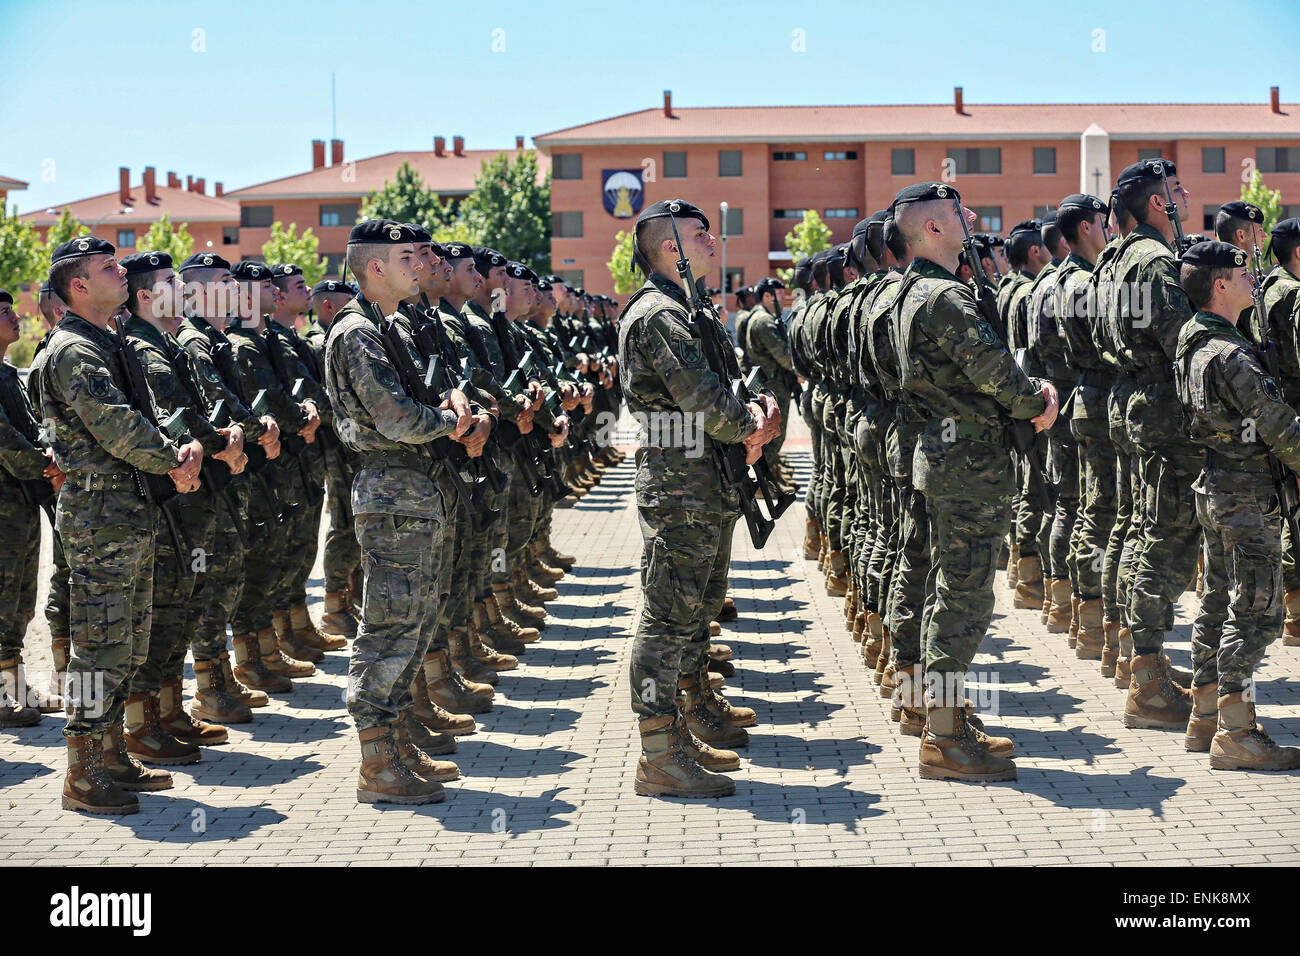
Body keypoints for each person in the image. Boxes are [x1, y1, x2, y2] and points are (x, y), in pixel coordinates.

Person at [889, 183, 1055, 781]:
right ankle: (945, 738)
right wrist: (1039, 397)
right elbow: (998, 375)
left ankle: (944, 713)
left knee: (947, 589)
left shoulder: (912, 292)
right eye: (959, 213)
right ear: (933, 228)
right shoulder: (944, 299)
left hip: (946, 457)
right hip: (968, 466)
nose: (972, 219)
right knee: (965, 598)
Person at [619, 199, 777, 798]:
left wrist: (752, 415)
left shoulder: (688, 309)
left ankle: (678, 732)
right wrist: (749, 425)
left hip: (701, 479)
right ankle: (657, 753)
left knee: (692, 609)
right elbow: (703, 400)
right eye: (698, 234)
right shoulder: (659, 315)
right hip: (678, 483)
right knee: (666, 617)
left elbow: (721, 386)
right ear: (669, 248)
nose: (712, 242)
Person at [41, 236, 204, 814]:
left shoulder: (111, 342)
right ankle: (81, 773)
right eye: (108, 268)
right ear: (79, 286)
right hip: (98, 518)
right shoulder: (72, 351)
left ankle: (110, 753)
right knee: (96, 647)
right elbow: (117, 428)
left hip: (130, 512)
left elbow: (148, 417)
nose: (122, 274)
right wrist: (175, 459)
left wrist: (180, 452)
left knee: (128, 642)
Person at [323, 219, 470, 804]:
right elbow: (396, 417)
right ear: (375, 267)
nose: (421, 264)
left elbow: (420, 400)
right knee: (388, 625)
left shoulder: (389, 329)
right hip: (392, 494)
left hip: (414, 489)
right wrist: (453, 423)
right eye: (407, 256)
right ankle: (376, 761)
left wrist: (449, 407)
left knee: (413, 622)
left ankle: (397, 741)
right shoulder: (357, 333)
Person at [1173, 240, 1300, 770]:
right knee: (1257, 611)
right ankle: (1237, 729)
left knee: (1218, 600)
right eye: (1242, 275)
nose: (1253, 282)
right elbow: (1279, 427)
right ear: (1219, 285)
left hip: (1217, 487)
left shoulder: (1194, 342)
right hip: (1246, 493)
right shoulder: (1229, 353)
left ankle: (1205, 714)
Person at [119, 250, 247, 763]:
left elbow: (203, 409)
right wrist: (223, 444)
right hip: (173, 499)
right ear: (146, 295)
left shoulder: (170, 344)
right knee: (164, 608)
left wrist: (230, 435)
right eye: (172, 282)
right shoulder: (140, 349)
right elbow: (170, 421)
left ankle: (168, 709)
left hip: (197, 492)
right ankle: (140, 722)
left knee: (186, 604)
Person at [1104, 159, 1198, 729]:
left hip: (1134, 402)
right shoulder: (1155, 262)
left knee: (1146, 529)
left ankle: (1144, 662)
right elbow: (1181, 342)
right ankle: (1147, 680)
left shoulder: (1115, 260)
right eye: (1177, 190)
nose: (1185, 197)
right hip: (1165, 414)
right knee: (1166, 540)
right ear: (1159, 204)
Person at [0, 286, 61, 726]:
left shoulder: (5, 373)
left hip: (20, 499)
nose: (15, 317)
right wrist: (46, 465)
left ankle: (15, 686)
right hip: (6, 499)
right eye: (4, 313)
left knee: (21, 599)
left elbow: (34, 427)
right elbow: (6, 439)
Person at [305, 278, 363, 639]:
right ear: (329, 307)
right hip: (336, 449)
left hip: (353, 446)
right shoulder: (317, 343)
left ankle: (349, 598)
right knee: (343, 525)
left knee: (355, 527)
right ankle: (334, 605)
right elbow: (323, 399)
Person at [1258, 218, 1300, 645]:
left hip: (1269, 414)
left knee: (1284, 515)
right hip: (1294, 417)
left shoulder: (1263, 288)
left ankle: (1290, 609)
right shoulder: (1294, 295)